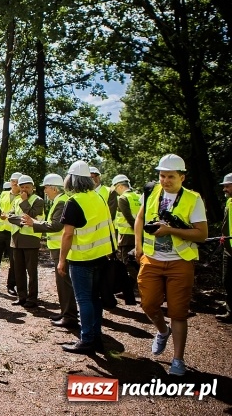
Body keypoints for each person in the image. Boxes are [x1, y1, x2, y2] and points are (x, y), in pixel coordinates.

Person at [134, 154, 208, 376]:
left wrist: (170, 230)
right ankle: (162, 331)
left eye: (170, 177)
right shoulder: (150, 191)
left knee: (178, 312)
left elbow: (202, 234)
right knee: (148, 304)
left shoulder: (193, 199)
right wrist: (138, 246)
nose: (165, 181)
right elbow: (139, 219)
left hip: (180, 262)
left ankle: (178, 359)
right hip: (151, 259)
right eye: (162, 175)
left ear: (182, 177)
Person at [58, 160, 115, 354]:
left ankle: (87, 340)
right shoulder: (99, 198)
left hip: (81, 259)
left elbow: (67, 234)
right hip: (101, 257)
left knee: (83, 300)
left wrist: (61, 260)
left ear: (71, 180)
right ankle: (96, 337)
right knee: (95, 299)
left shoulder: (73, 202)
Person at [22, 173, 77, 327]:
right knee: (63, 283)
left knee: (64, 283)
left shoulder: (61, 202)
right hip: (58, 247)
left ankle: (69, 316)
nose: (44, 190)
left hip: (61, 248)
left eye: (46, 187)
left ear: (53, 188)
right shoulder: (59, 201)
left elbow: (56, 226)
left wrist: (34, 224)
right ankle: (66, 312)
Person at [8, 175, 45, 308]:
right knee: (18, 270)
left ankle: (32, 298)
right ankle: (21, 296)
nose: (24, 189)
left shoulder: (38, 200)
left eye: (27, 187)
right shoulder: (17, 200)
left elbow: (33, 215)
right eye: (22, 187)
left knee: (31, 271)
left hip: (30, 239)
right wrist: (22, 221)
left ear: (32, 188)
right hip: (16, 239)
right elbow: (10, 217)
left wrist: (24, 202)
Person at [112, 174, 140, 305]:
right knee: (135, 265)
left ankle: (147, 287)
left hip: (126, 237)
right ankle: (128, 293)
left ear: (120, 186)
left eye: (116, 188)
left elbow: (129, 218)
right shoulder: (137, 197)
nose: (116, 191)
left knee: (128, 265)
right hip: (137, 236)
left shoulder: (123, 198)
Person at [0, 172, 21, 295]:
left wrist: (8, 217)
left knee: (13, 261)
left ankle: (11, 285)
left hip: (13, 232)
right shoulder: (3, 194)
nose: (14, 183)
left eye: (17, 181)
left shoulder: (23, 198)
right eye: (13, 180)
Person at [217, 173, 232, 323]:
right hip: (229, 248)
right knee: (227, 280)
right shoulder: (229, 202)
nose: (224, 189)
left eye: (227, 186)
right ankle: (229, 307)